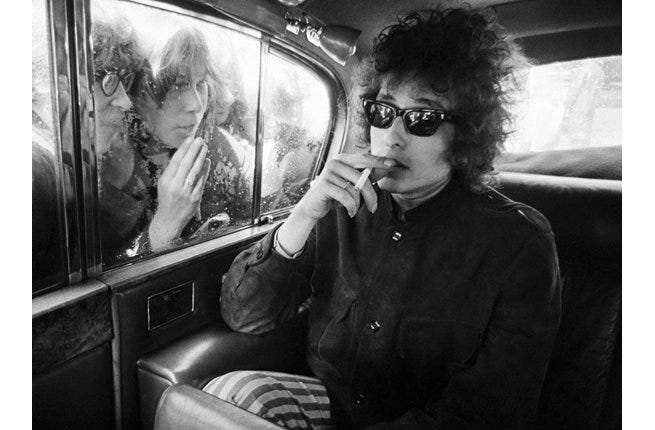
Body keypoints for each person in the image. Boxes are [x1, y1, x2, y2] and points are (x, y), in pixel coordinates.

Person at [213, 7, 561, 430]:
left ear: (466, 136)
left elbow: (490, 410)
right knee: (232, 397)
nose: (391, 137)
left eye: (422, 119)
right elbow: (245, 315)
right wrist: (304, 212)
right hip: (334, 408)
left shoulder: (517, 244)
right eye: (382, 112)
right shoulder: (341, 205)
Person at [130, 27, 252, 252]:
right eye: (178, 84)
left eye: (200, 83)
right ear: (140, 91)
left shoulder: (221, 149)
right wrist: (165, 226)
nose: (196, 105)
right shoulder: (117, 164)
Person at [90, 19, 147, 264]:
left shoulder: (132, 137)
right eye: (108, 80)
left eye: (125, 80)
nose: (125, 102)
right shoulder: (39, 175)